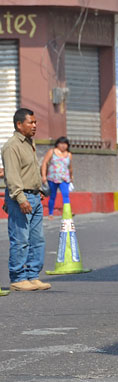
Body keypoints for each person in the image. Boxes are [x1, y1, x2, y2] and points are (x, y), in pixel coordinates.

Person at [1, 108, 50, 291]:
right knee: (20, 239)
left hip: (34, 196)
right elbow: (13, 177)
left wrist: (38, 190)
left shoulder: (29, 142)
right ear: (19, 124)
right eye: (31, 122)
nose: (35, 125)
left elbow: (28, 171)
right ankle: (18, 278)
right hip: (21, 198)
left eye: (35, 122)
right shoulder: (12, 146)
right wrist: (21, 199)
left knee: (37, 239)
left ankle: (32, 275)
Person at [41, 136, 73, 216]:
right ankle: (50, 213)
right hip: (52, 178)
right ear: (57, 144)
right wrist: (43, 175)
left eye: (65, 144)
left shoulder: (69, 155)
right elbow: (44, 163)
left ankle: (67, 212)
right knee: (53, 196)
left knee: (66, 195)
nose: (63, 146)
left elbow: (70, 167)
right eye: (61, 143)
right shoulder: (52, 152)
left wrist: (71, 176)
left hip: (64, 178)